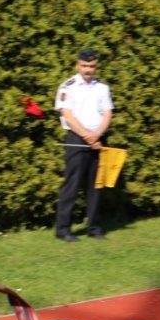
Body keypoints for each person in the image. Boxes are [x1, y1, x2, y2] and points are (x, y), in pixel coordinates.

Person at [54, 49, 114, 242]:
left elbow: (108, 114)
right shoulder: (67, 87)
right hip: (76, 139)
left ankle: (94, 228)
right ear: (77, 65)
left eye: (92, 66)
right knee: (72, 186)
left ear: (96, 66)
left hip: (97, 140)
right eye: (84, 65)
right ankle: (63, 230)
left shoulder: (102, 88)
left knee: (95, 186)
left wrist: (97, 135)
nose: (88, 69)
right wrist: (87, 135)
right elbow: (67, 115)